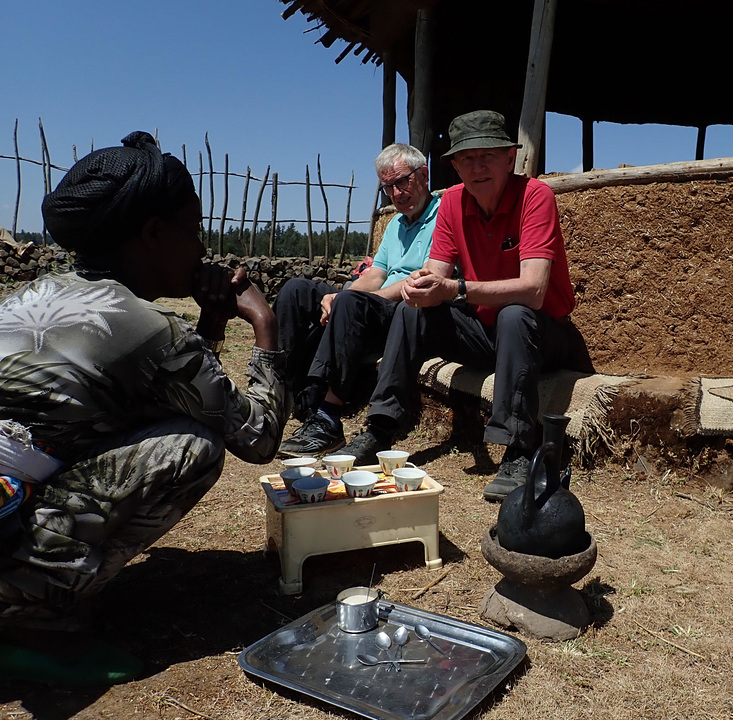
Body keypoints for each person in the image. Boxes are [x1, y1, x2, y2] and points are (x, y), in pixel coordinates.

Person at [0, 132, 289, 685]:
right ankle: (36, 622)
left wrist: (210, 322)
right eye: (194, 231)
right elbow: (256, 437)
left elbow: (166, 387)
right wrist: (264, 326)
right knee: (191, 447)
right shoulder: (144, 327)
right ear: (154, 234)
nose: (202, 249)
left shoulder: (34, 295)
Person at [338, 110, 586, 502]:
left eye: (488, 155)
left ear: (510, 158)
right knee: (411, 310)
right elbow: (436, 274)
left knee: (516, 313)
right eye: (467, 158)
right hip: (487, 334)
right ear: (454, 166)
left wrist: (454, 288)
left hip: (543, 336)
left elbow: (535, 290)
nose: (478, 166)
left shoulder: (535, 196)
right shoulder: (452, 202)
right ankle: (381, 429)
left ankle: (519, 449)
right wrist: (422, 287)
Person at [274, 143, 440, 456]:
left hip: (406, 308)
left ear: (424, 174)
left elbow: (422, 279)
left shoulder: (443, 217)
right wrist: (341, 295)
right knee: (297, 290)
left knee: (351, 304)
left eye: (402, 181)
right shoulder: (395, 225)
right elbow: (375, 274)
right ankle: (288, 395)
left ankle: (327, 420)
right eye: (388, 187)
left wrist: (355, 301)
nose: (396, 193)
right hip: (375, 301)